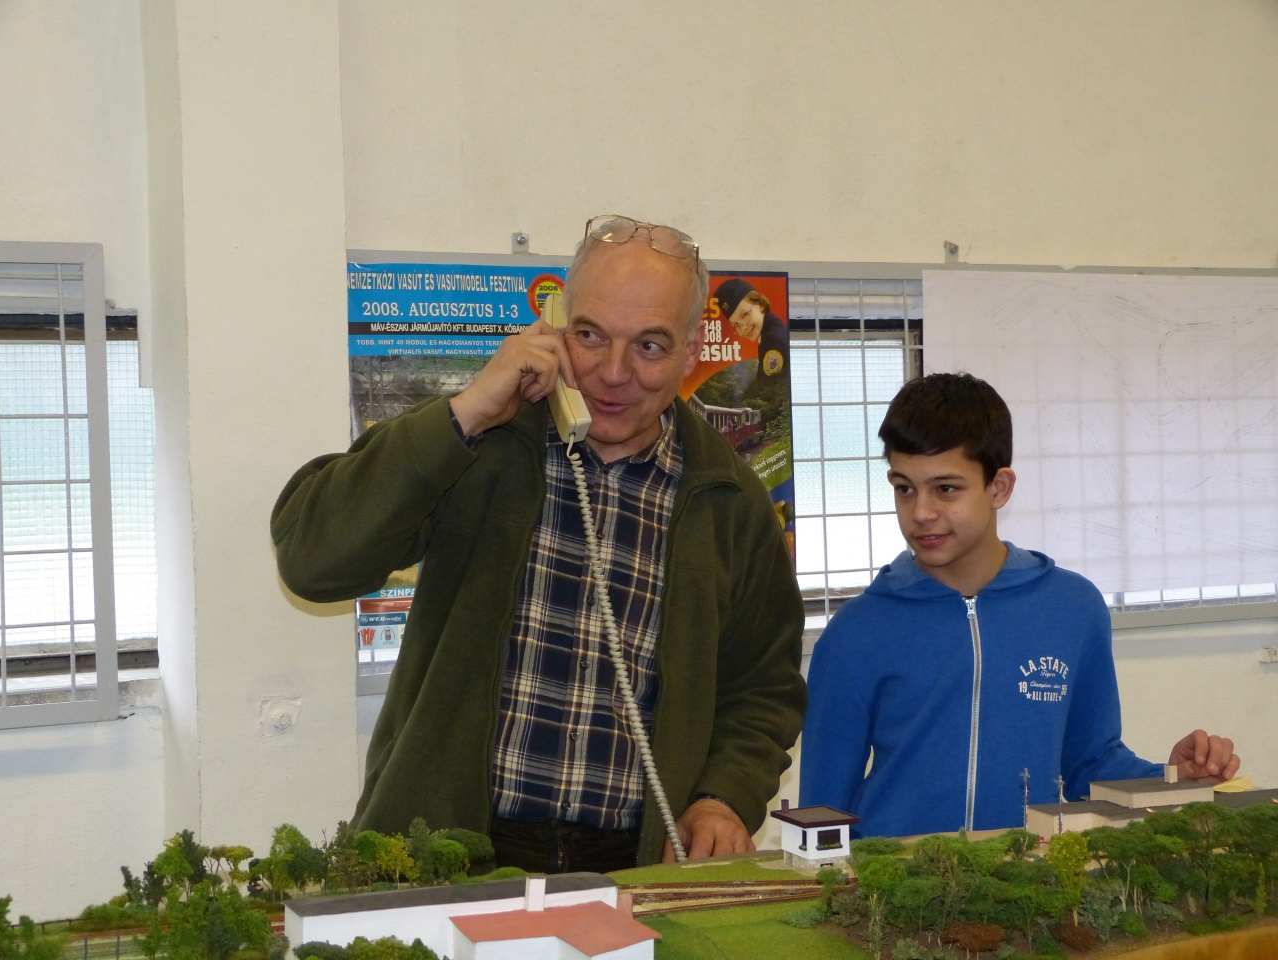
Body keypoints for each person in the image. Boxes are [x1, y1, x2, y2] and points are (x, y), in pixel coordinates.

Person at [272, 214, 805, 871]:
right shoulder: (482, 442)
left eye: (649, 346)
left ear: (692, 352)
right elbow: (312, 558)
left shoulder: (730, 500)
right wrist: (465, 413)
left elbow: (764, 688)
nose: (612, 372)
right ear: (554, 328)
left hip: (632, 863)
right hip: (453, 851)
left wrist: (724, 797)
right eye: (591, 335)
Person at [799, 372, 1239, 839]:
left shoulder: (1072, 609)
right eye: (904, 487)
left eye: (946, 488)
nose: (921, 512)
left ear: (999, 488)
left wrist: (1169, 779)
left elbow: (1090, 763)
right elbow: (823, 809)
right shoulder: (857, 632)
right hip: (897, 878)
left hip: (1030, 874)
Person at [715, 277, 788, 382]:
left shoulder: (773, 340)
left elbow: (770, 388)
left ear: (760, 304)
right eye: (736, 324)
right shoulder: (769, 332)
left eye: (744, 315)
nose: (743, 328)